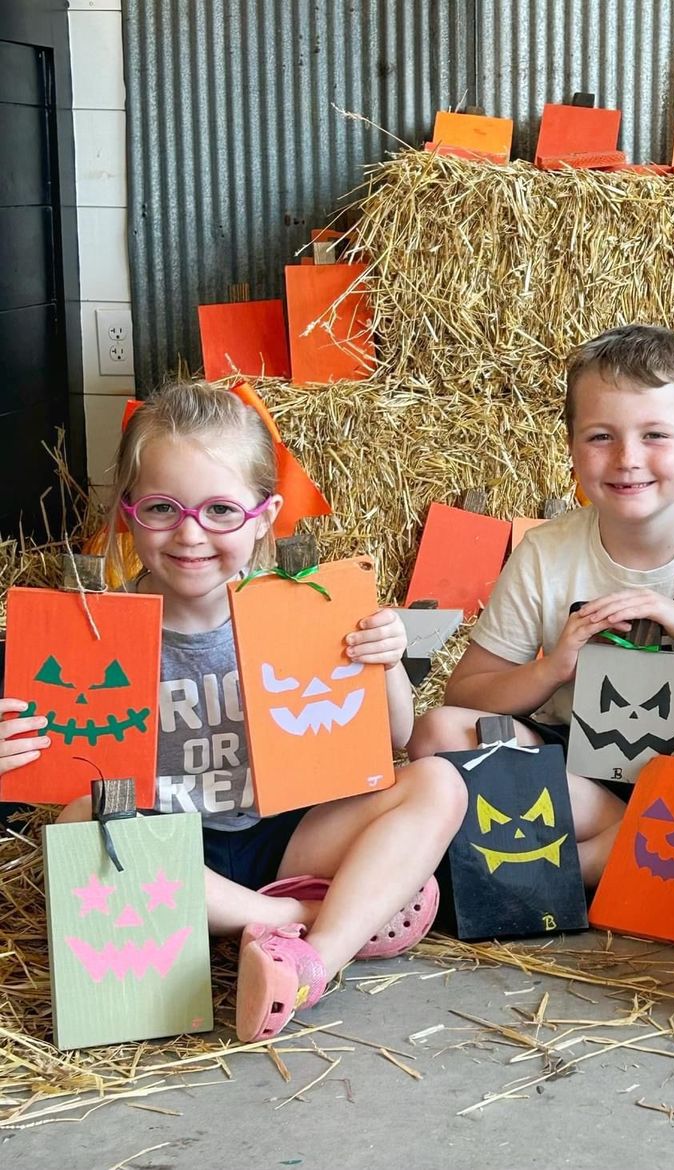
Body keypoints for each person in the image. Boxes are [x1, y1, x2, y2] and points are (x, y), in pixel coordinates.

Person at [0, 381, 467, 1043]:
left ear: (265, 513)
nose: (191, 534)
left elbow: (394, 741)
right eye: (163, 508)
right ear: (128, 512)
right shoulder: (95, 635)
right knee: (80, 824)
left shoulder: (304, 614)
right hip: (171, 849)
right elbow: (58, 777)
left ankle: (316, 958)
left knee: (439, 782)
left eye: (220, 510)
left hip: (285, 836)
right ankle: (306, 914)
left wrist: (387, 661)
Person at [406, 324, 674, 884]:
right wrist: (553, 668)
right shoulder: (546, 551)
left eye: (655, 436)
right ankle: (647, 846)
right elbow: (466, 694)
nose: (627, 459)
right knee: (439, 733)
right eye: (601, 437)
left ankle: (579, 867)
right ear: (571, 448)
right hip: (578, 773)